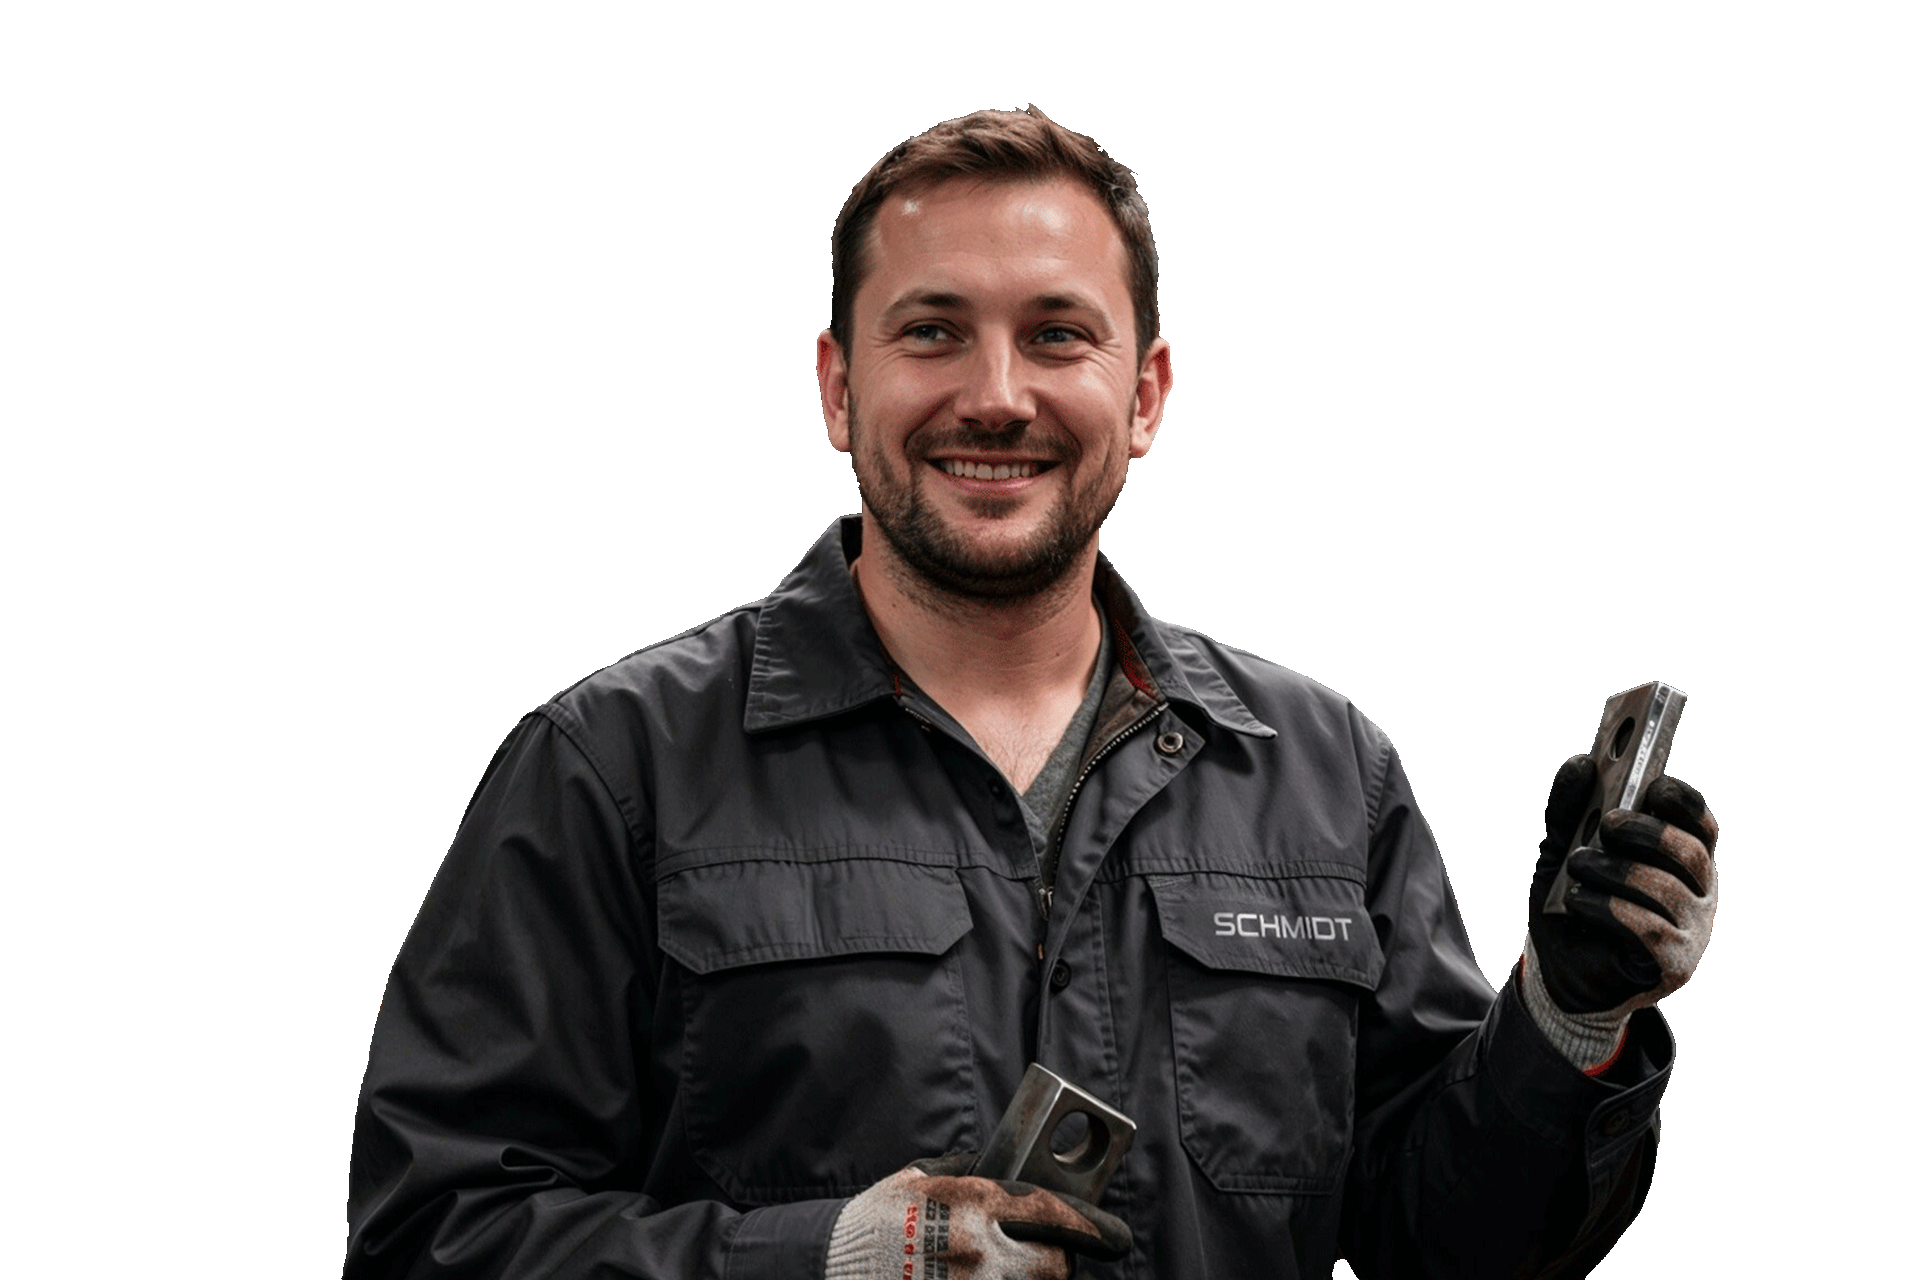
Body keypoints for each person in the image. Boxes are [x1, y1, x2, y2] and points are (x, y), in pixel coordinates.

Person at [344, 106, 1720, 1279]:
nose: (996, 397)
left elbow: (1445, 1245)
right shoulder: (611, 765)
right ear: (837, 387)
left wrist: (1565, 1019)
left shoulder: (1326, 774)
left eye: (1058, 335)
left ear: (1147, 395)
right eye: (932, 332)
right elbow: (432, 1231)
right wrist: (821, 1260)